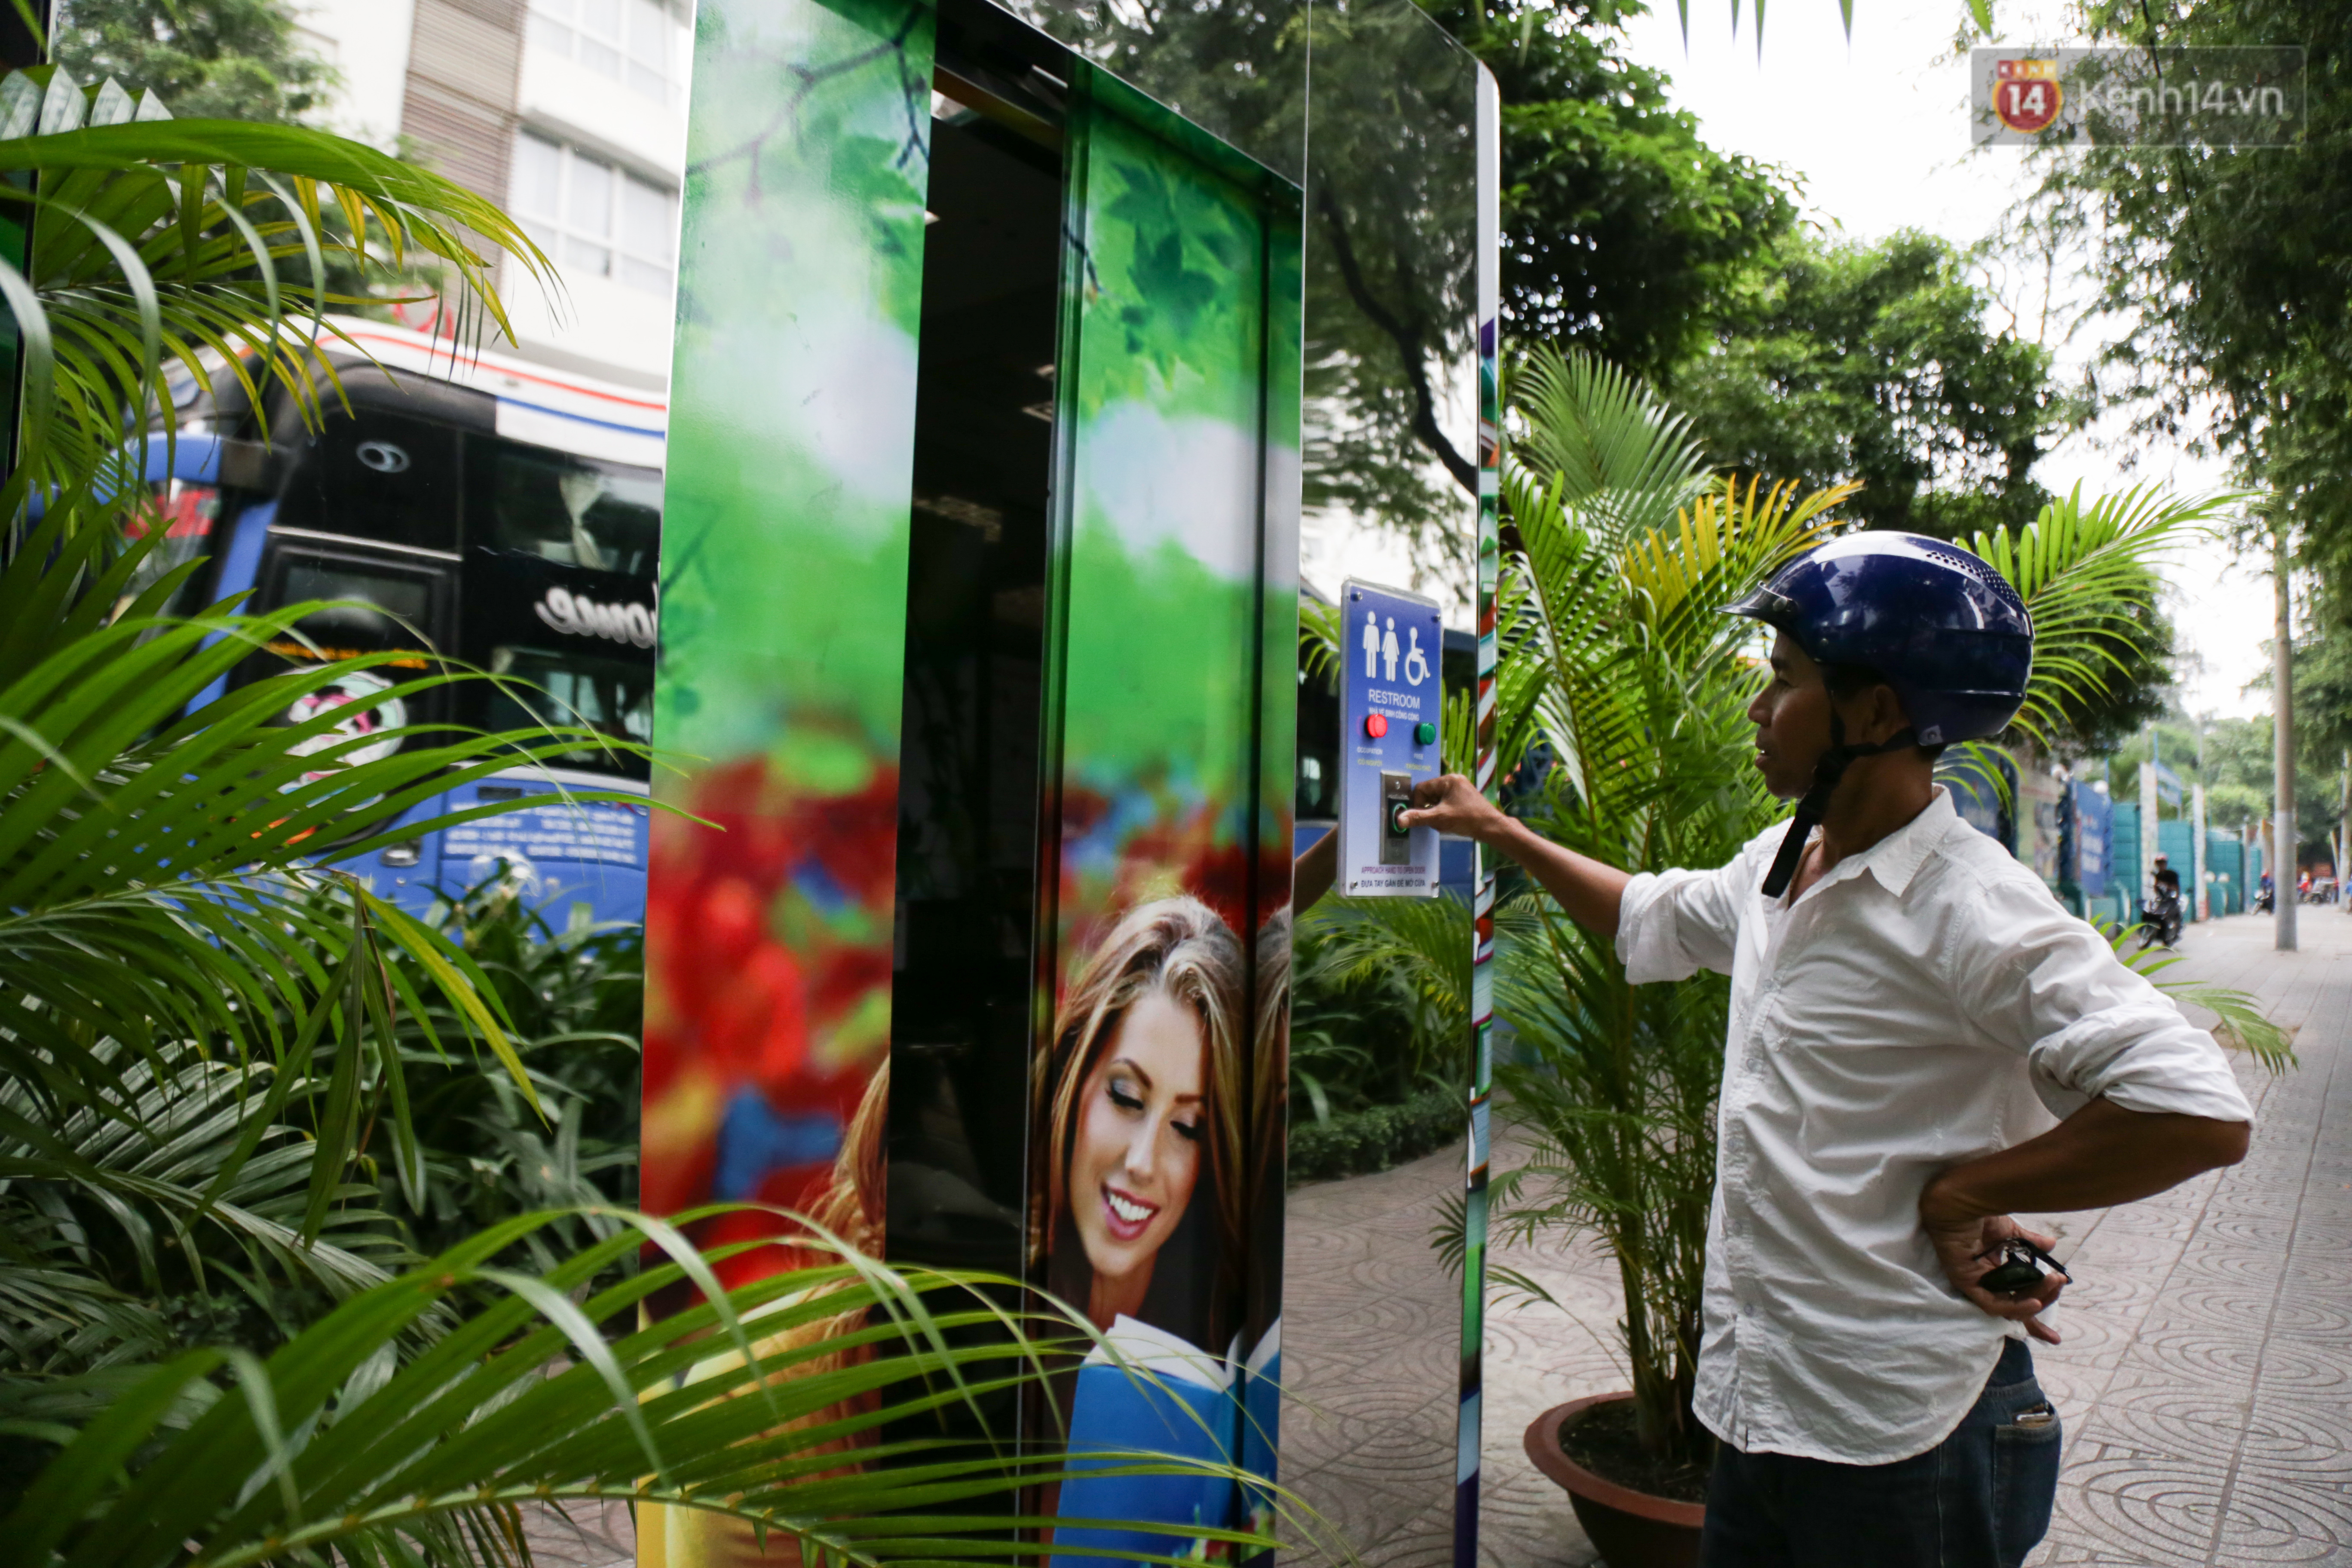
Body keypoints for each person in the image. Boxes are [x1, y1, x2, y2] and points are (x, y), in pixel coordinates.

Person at [1400, 533, 2253, 1568]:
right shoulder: (1783, 862)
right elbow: (1650, 920)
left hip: (1905, 1443)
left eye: (1786, 681)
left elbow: (2199, 1108)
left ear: (1881, 713)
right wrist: (1502, 832)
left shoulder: (1972, 909)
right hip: (1760, 1412)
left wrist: (1966, 1191)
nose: (1759, 710)